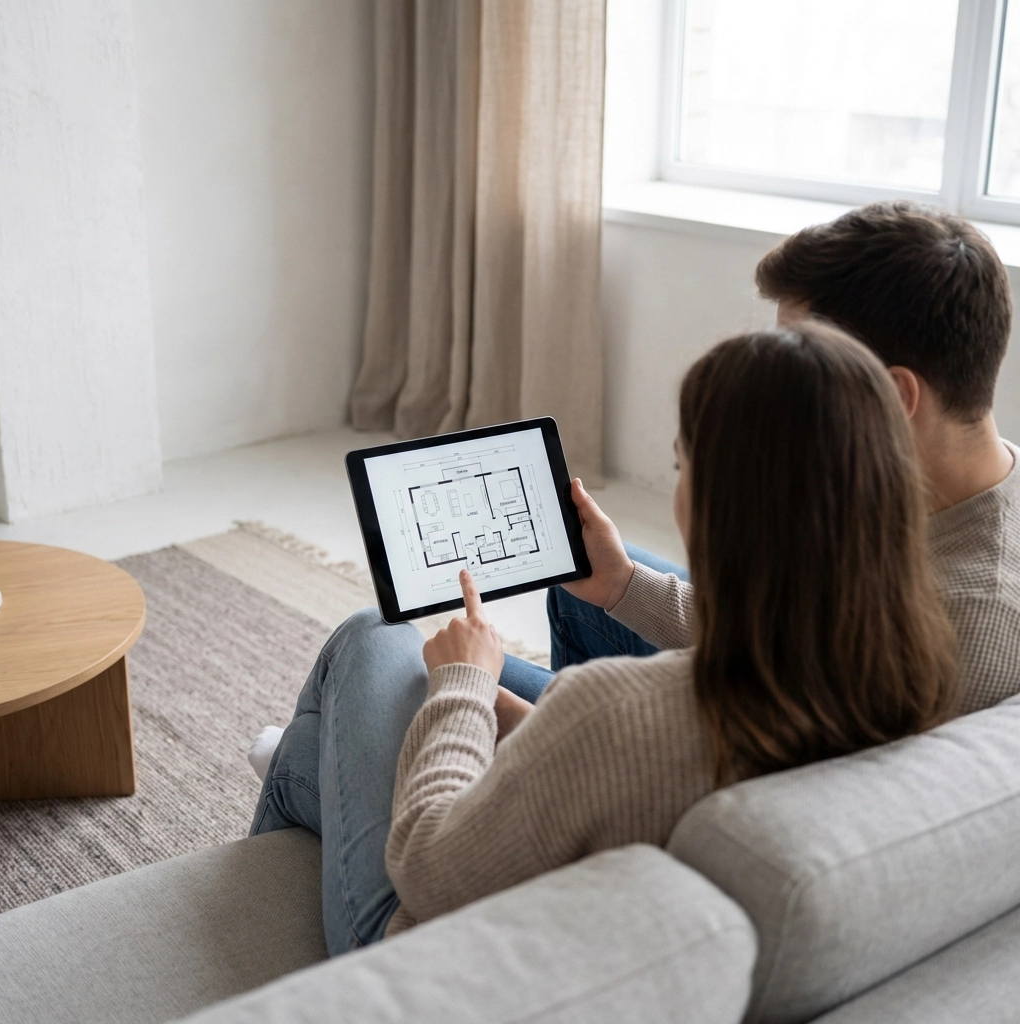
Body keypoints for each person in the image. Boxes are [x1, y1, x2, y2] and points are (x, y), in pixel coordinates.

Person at [248, 322, 957, 955]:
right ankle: (323, 764)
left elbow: (427, 869)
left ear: (717, 505)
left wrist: (462, 691)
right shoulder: (913, 672)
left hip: (432, 955)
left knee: (371, 637)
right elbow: (614, 765)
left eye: (683, 467)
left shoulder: (622, 709)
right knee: (383, 707)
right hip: (599, 891)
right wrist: (543, 718)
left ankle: (302, 783)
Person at [502, 201, 1020, 715]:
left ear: (892, 396)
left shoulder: (958, 630)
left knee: (428, 666)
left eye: (800, 363)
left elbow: (734, 770)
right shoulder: (910, 491)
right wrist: (624, 586)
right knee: (588, 584)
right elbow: (785, 646)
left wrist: (525, 730)